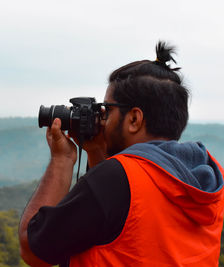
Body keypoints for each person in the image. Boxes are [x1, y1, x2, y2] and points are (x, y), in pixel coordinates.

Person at [19, 41, 224, 267]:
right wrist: (96, 151)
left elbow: (33, 251)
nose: (103, 119)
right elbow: (122, 224)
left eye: (109, 110)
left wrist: (62, 160)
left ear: (134, 119)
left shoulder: (117, 180)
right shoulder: (210, 177)